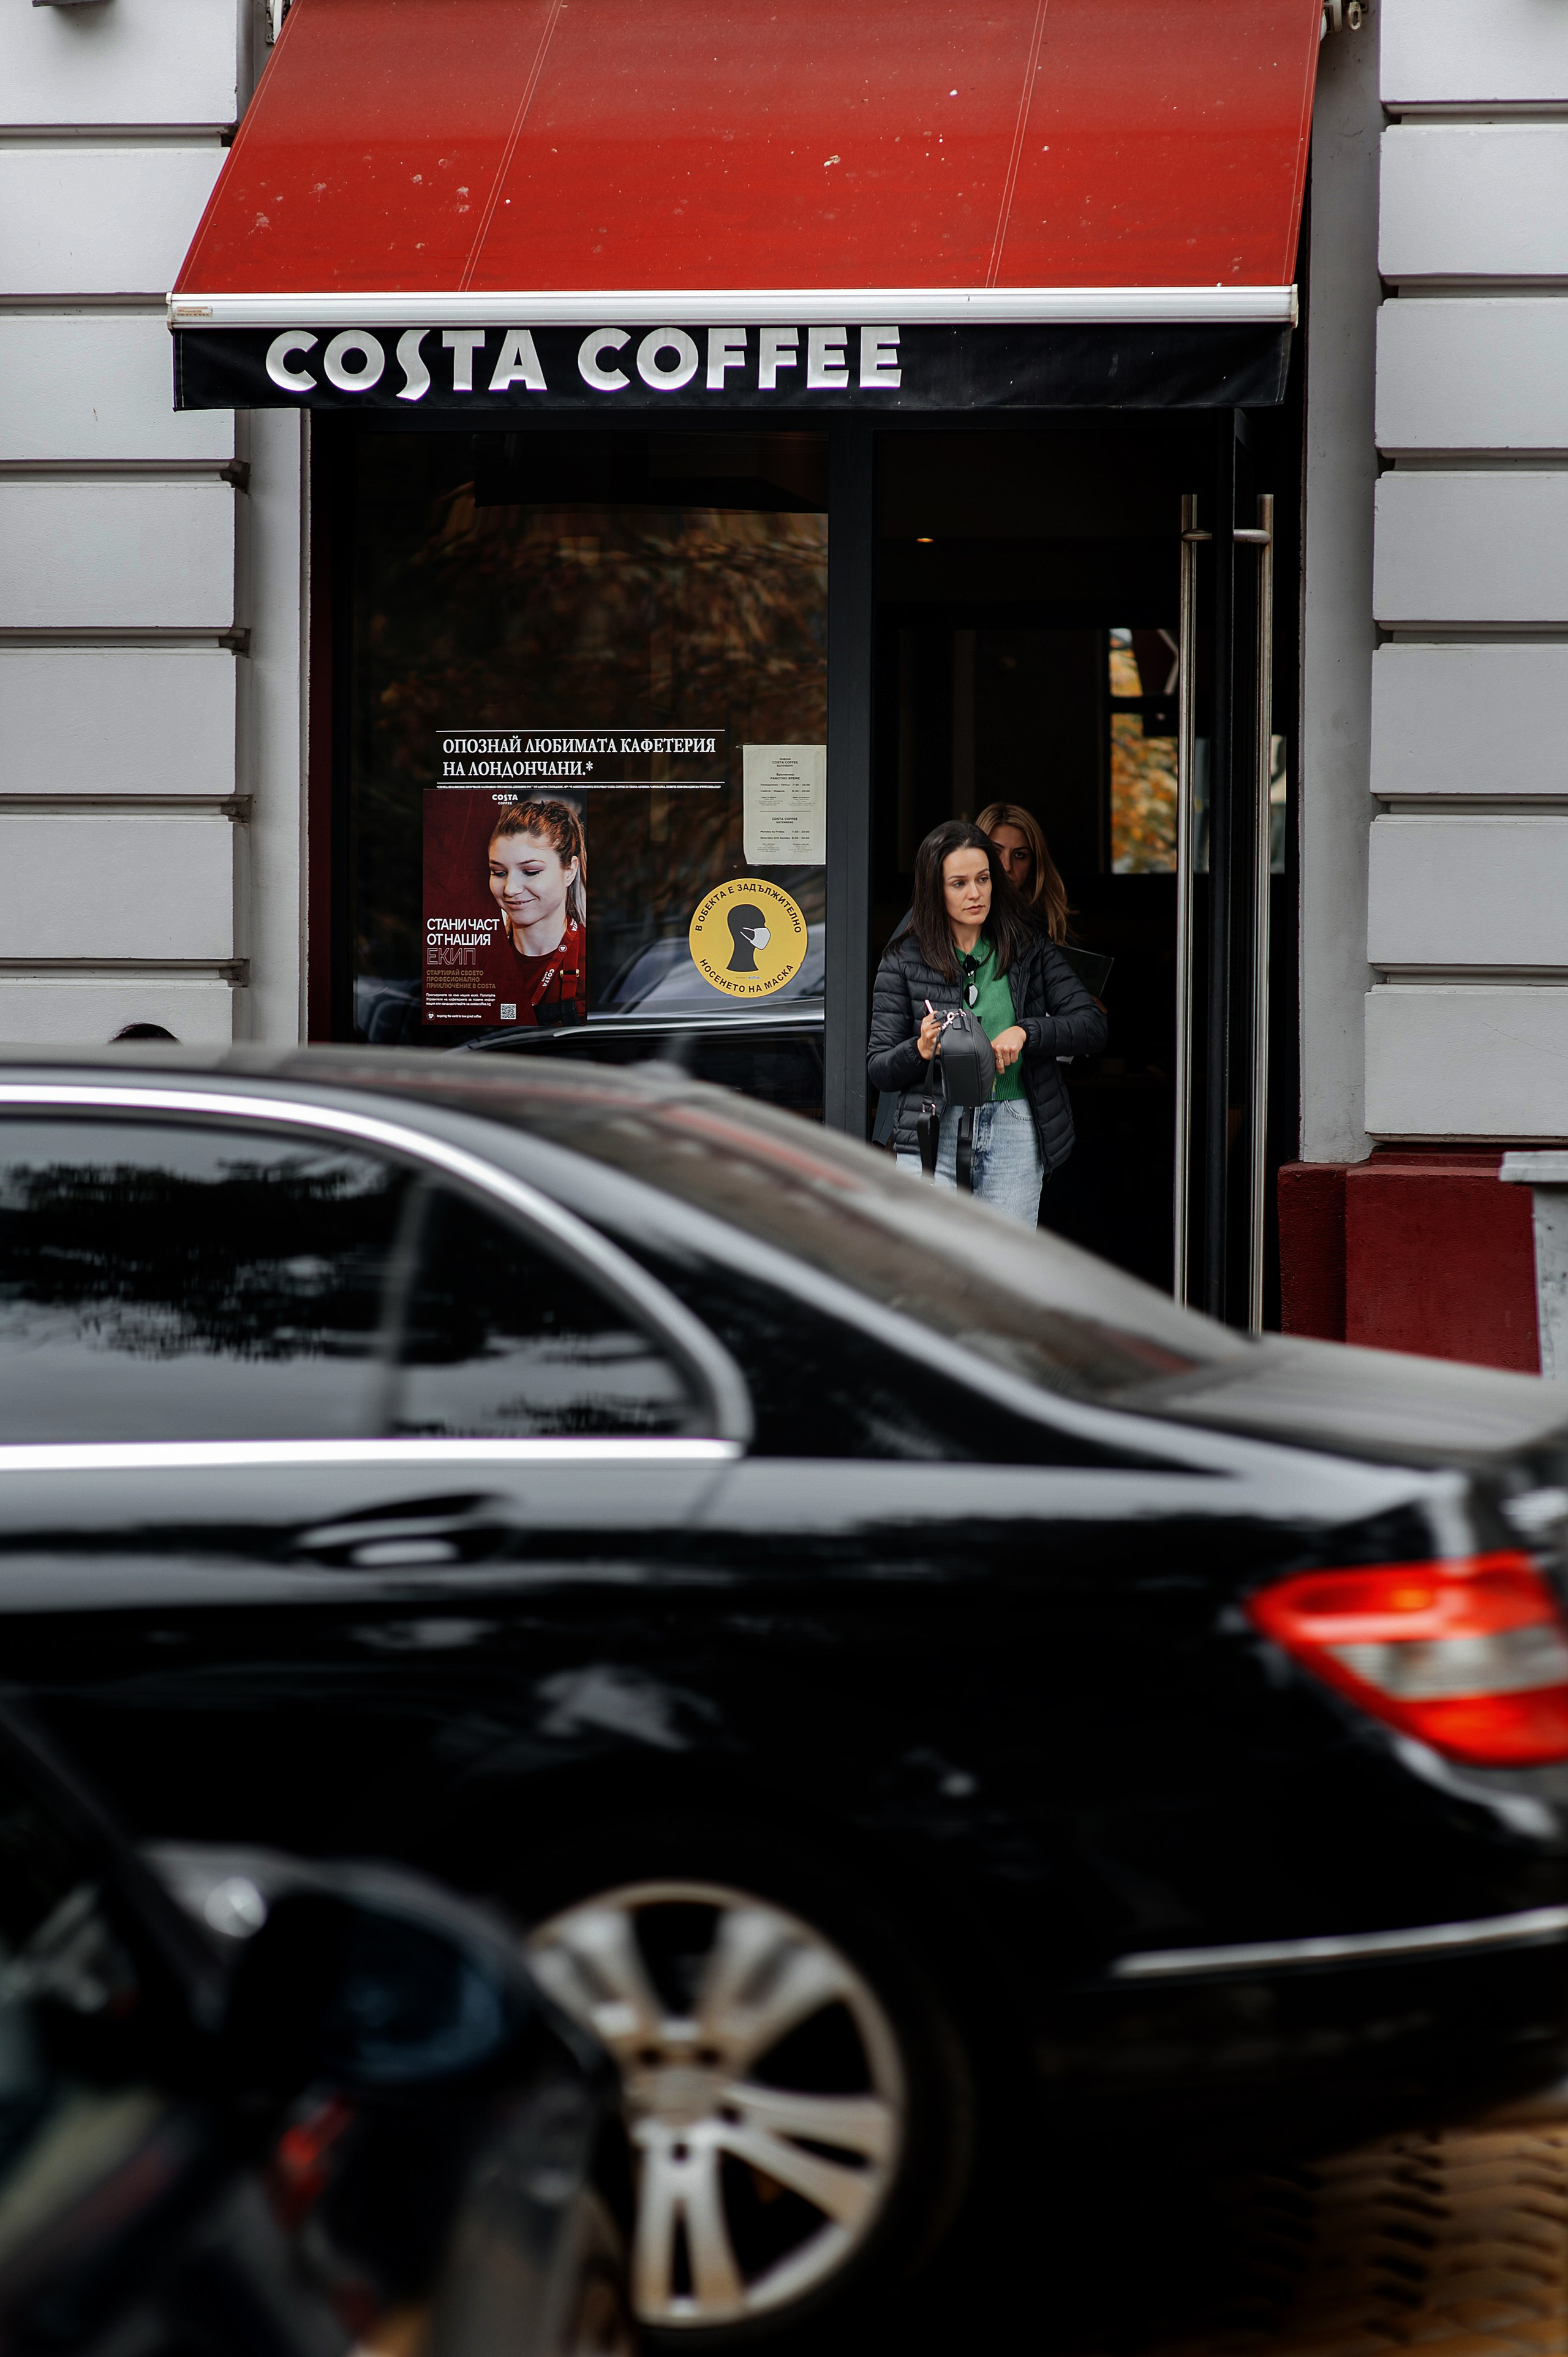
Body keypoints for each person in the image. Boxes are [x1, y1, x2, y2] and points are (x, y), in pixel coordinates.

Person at [867, 820, 1106, 1223]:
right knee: (934, 1266)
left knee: (1005, 1270)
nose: (975, 893)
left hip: (1013, 1123)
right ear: (934, 890)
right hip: (934, 1129)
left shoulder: (1028, 946)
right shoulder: (903, 959)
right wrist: (920, 1049)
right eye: (958, 883)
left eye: (983, 879)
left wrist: (1027, 1031)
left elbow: (1092, 1027)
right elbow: (879, 1068)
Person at [487, 798, 586, 1027]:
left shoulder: (593, 959)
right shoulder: (480, 961)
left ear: (570, 871)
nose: (511, 889)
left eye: (530, 872)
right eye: (499, 872)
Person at [976, 800, 1071, 942]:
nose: (1006, 867)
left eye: (1019, 855)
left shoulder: (1045, 933)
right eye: (995, 852)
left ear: (1033, 866)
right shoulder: (946, 922)